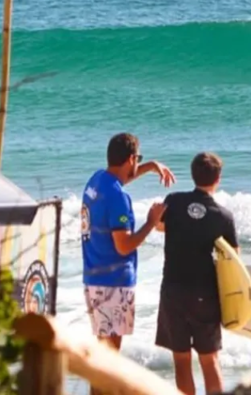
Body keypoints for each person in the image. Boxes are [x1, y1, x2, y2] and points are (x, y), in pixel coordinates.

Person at [81, 132, 175, 359]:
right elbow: (124, 246)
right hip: (113, 283)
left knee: (103, 355)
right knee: (110, 359)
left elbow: (119, 180)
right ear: (131, 159)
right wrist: (151, 222)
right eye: (138, 159)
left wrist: (149, 166)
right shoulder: (118, 198)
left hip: (94, 277)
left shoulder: (97, 180)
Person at [154, 152, 238, 395]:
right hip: (205, 295)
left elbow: (160, 226)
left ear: (192, 175)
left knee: (181, 361)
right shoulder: (223, 216)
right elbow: (234, 261)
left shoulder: (173, 201)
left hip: (173, 291)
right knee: (209, 360)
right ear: (218, 178)